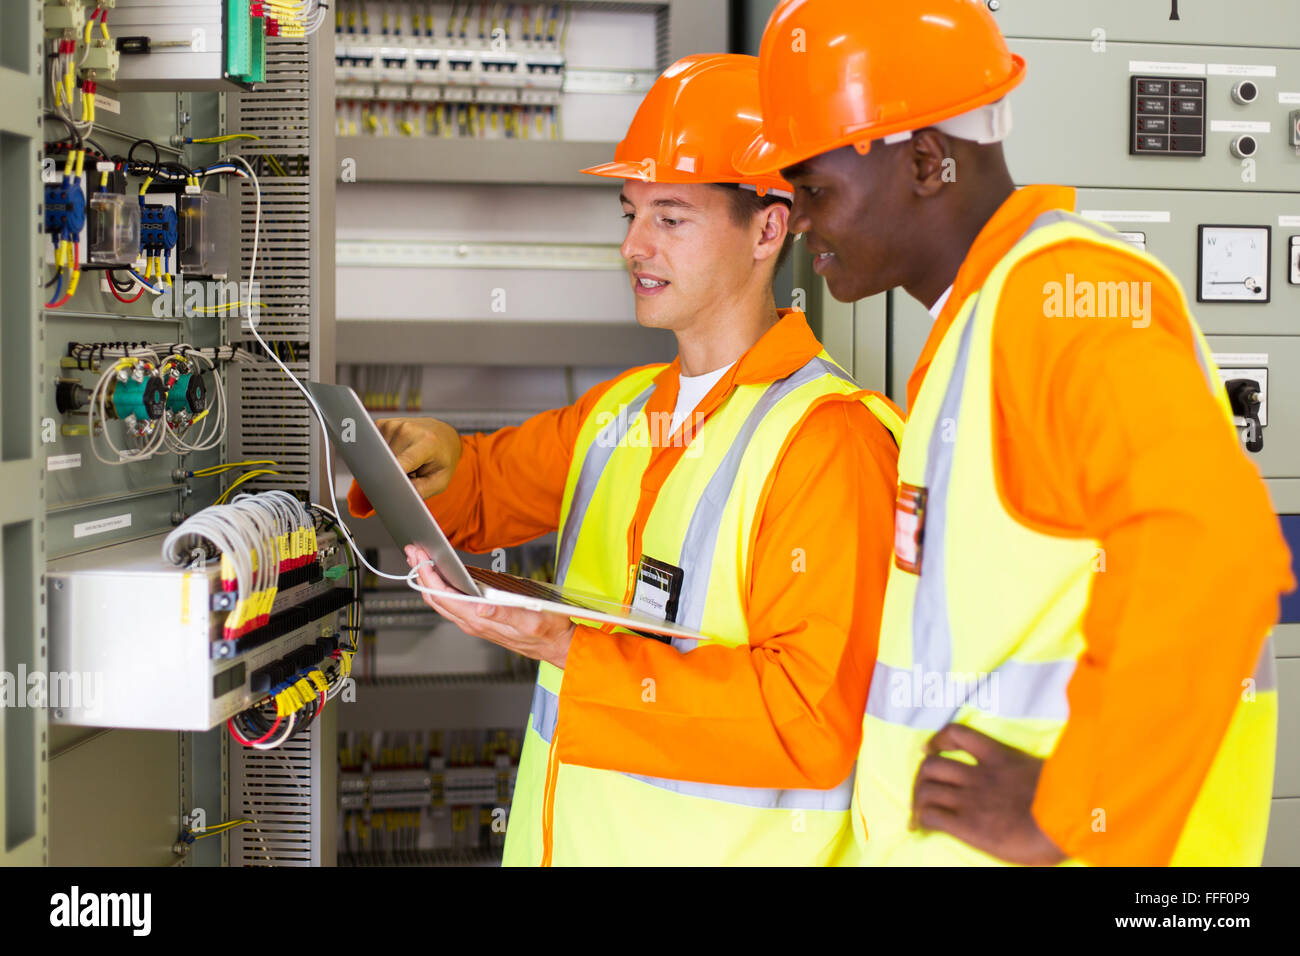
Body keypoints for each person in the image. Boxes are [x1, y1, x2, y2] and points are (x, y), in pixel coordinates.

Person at [735, 0, 1294, 866]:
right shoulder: (979, 324)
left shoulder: (1063, 300)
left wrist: (1071, 810)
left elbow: (1214, 549)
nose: (800, 222)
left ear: (925, 161)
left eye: (814, 191)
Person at [348, 53, 905, 865]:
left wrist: (566, 648)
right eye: (630, 213)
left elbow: (808, 722)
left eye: (670, 218)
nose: (633, 247)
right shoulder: (621, 411)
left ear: (770, 227)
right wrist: (430, 458)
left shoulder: (830, 442)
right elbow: (479, 494)